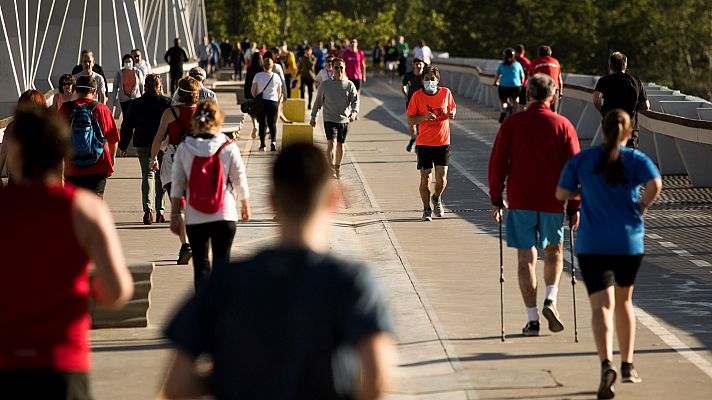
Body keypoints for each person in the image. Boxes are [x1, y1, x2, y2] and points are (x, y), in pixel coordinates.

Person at [160, 143, 396, 399]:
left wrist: (227, 379)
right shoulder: (351, 282)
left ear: (272, 201)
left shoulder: (224, 281)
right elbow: (377, 377)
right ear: (334, 199)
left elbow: (176, 385)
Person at [0, 104, 133, 399]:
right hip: (63, 365)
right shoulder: (86, 209)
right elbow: (117, 290)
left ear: (15, 152)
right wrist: (89, 287)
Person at [556, 110, 661, 399]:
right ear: (629, 133)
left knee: (601, 305)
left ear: (602, 130)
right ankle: (628, 365)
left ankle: (606, 365)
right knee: (625, 300)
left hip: (593, 243)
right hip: (628, 242)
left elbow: (561, 194)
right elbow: (656, 185)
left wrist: (584, 188)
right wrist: (642, 207)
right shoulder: (637, 160)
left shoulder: (584, 159)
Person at [488, 73, 580, 336]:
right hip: (553, 201)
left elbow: (497, 165)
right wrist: (575, 205)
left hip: (520, 200)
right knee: (554, 252)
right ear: (552, 96)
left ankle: (533, 320)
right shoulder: (563, 125)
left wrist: (496, 198)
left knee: (526, 259)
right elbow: (574, 169)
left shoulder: (512, 124)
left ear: (526, 95)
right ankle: (551, 298)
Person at [169, 100, 250, 290]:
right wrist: (245, 204)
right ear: (218, 120)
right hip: (225, 213)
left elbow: (177, 184)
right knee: (223, 264)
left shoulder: (185, 147)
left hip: (195, 215)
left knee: (201, 265)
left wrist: (174, 215)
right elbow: (239, 178)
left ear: (195, 121)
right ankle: (222, 312)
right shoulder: (228, 146)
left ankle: (204, 313)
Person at [150, 76, 201, 265]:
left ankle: (185, 244)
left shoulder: (170, 113)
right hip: (198, 165)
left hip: (175, 164)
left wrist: (153, 159)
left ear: (179, 93)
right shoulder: (203, 113)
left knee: (178, 206)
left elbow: (157, 139)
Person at [119, 74, 173, 224]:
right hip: (162, 144)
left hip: (142, 143)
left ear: (144, 87)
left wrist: (123, 146)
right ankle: (160, 212)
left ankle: (147, 211)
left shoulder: (136, 104)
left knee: (147, 175)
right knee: (160, 177)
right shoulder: (167, 102)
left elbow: (127, 126)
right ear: (160, 86)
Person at [406, 66, 456, 221]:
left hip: (442, 142)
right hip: (424, 143)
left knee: (441, 180)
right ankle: (426, 209)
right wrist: (423, 118)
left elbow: (452, 108)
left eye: (432, 79)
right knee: (425, 178)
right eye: (426, 79)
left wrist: (452, 112)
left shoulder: (446, 93)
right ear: (422, 80)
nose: (429, 82)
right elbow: (410, 119)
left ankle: (437, 197)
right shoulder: (417, 96)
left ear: (438, 80)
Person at [61, 76, 119, 198]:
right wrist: (112, 158)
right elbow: (113, 139)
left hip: (72, 166)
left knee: (73, 205)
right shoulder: (102, 109)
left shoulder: (65, 109)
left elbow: (56, 140)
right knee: (95, 205)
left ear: (76, 90)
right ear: (94, 91)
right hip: (99, 164)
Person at [310, 57, 359, 179]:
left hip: (344, 120)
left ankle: (337, 167)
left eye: (341, 68)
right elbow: (317, 102)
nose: (339, 70)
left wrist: (354, 113)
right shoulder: (325, 85)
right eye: (336, 67)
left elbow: (355, 101)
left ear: (344, 69)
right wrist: (313, 117)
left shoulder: (349, 85)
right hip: (329, 119)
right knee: (332, 143)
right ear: (332, 69)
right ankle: (330, 168)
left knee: (341, 145)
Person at [593, 52, 650, 149]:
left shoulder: (604, 80)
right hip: (630, 127)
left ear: (610, 65)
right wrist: (635, 107)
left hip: (610, 124)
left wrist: (603, 112)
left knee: (610, 153)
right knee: (630, 155)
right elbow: (646, 106)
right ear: (625, 65)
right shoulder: (636, 81)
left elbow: (596, 99)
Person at [0, 90, 49, 188]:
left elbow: (3, 152)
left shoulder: (12, 126)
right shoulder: (48, 126)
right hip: (41, 178)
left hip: (17, 177)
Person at [251, 54, 283, 151]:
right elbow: (279, 91)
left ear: (263, 65)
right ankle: (273, 142)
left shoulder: (258, 76)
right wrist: (276, 99)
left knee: (262, 124)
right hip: (273, 102)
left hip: (262, 102)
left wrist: (256, 97)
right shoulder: (276, 76)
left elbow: (253, 90)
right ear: (272, 66)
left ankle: (263, 145)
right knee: (272, 123)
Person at [494, 48, 525, 122]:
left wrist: (495, 82)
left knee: (503, 101)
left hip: (503, 86)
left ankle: (503, 111)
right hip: (516, 86)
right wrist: (521, 83)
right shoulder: (518, 64)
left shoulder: (502, 65)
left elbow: (497, 75)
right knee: (515, 100)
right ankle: (514, 115)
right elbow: (522, 76)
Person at [529, 45, 564, 113]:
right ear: (550, 53)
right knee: (554, 111)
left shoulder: (534, 63)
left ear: (538, 53)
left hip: (538, 88)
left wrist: (528, 93)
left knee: (538, 109)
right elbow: (559, 79)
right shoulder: (556, 62)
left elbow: (530, 79)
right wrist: (561, 92)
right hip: (553, 88)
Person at [402, 57, 425, 152]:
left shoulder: (425, 76)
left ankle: (418, 143)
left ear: (423, 65)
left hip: (422, 104)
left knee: (421, 125)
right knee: (412, 124)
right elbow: (403, 85)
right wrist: (405, 94)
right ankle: (413, 139)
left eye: (420, 64)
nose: (419, 66)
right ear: (413, 65)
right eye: (417, 64)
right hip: (411, 102)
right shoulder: (408, 75)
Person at [112, 53, 145, 118]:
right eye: (126, 62)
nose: (128, 63)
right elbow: (115, 86)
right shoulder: (119, 73)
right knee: (127, 118)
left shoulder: (138, 72)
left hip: (136, 98)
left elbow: (141, 85)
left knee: (136, 117)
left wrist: (143, 97)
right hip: (124, 100)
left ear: (133, 62)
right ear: (123, 63)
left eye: (129, 61)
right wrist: (114, 98)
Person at [244, 52, 263, 140]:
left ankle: (255, 125)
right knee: (261, 111)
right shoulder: (262, 69)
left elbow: (247, 82)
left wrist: (246, 94)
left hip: (251, 92)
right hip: (261, 94)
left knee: (252, 112)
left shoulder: (250, 69)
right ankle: (261, 126)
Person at [514, 44, 531, 108]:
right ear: (523, 51)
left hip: (513, 84)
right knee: (522, 104)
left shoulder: (512, 60)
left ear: (515, 51)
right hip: (524, 85)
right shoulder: (527, 62)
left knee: (513, 102)